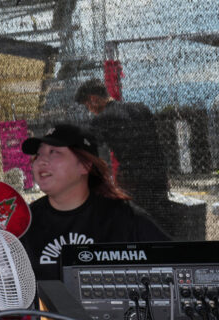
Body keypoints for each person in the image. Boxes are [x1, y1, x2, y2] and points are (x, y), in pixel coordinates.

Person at [20, 124, 168, 280]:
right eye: (38, 154)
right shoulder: (24, 223)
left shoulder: (123, 218)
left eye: (54, 152)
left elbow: (172, 262)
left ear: (85, 165)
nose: (41, 161)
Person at [74, 79, 169, 219]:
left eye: (87, 105)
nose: (89, 110)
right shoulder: (141, 108)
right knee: (159, 218)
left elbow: (86, 146)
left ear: (93, 99)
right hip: (157, 174)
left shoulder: (103, 119)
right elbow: (157, 144)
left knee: (134, 219)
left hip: (133, 179)